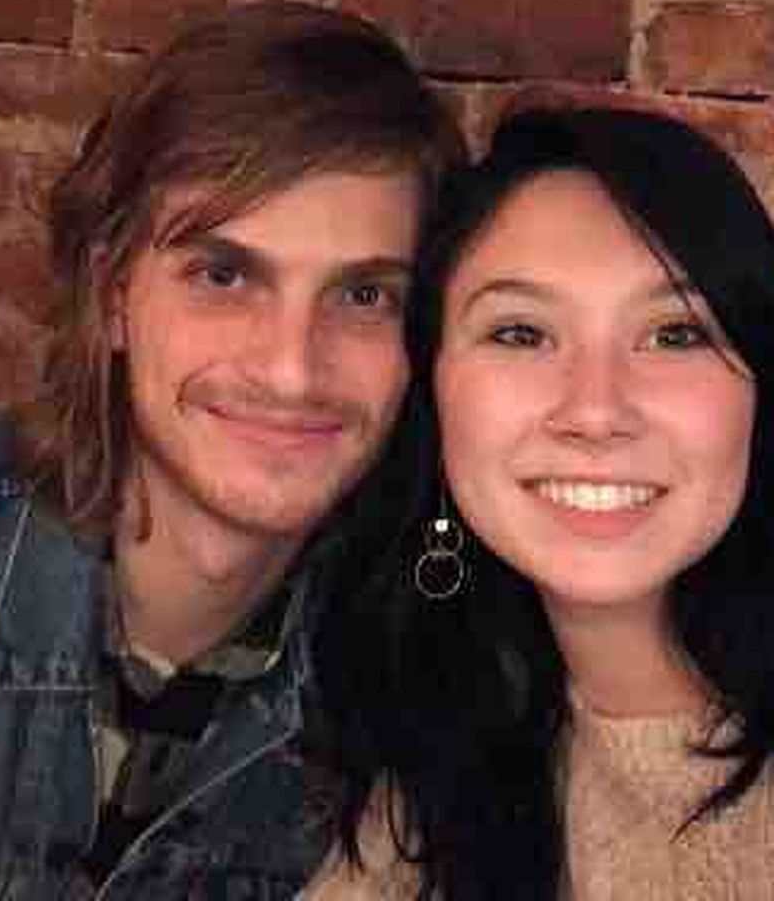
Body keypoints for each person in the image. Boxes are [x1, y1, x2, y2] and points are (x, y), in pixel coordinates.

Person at [0, 0, 463, 899]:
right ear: (113, 294)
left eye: (364, 296)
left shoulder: (434, 700)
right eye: (223, 275)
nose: (291, 370)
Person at [305, 107, 774, 899]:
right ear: (434, 394)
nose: (595, 411)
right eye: (521, 334)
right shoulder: (426, 781)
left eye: (675, 334)